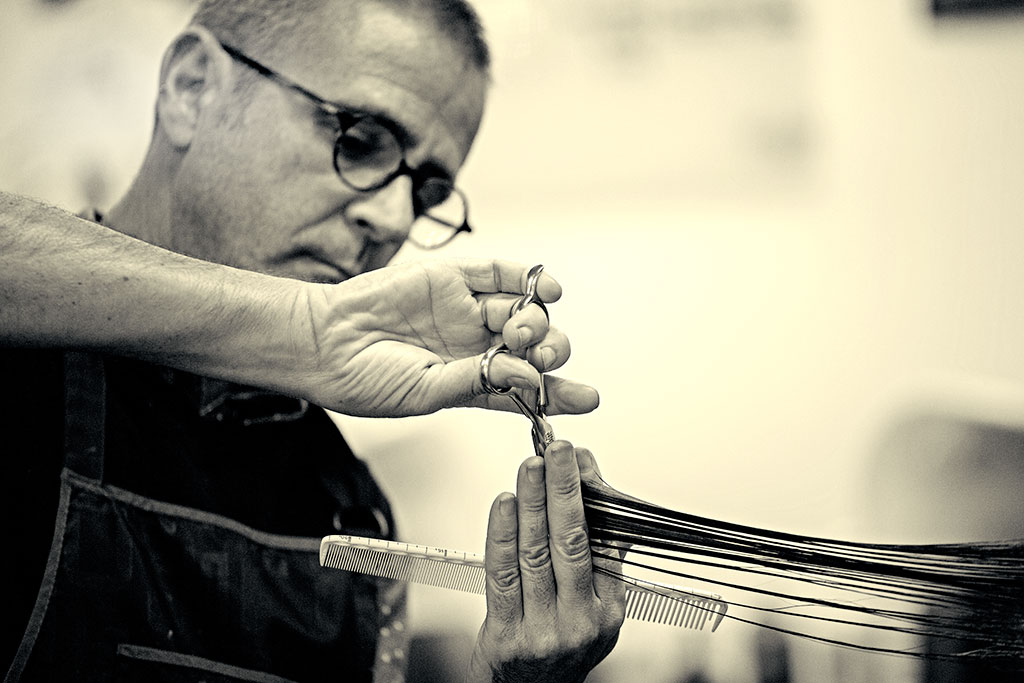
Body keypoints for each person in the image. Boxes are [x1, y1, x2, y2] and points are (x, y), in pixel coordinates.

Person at [0, 1, 625, 681]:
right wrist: (301, 326)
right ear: (191, 86)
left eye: (425, 193)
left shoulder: (351, 516)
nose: (393, 219)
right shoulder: (24, 355)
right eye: (358, 140)